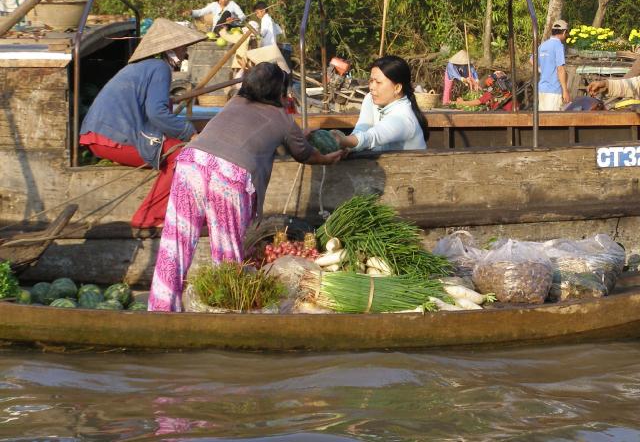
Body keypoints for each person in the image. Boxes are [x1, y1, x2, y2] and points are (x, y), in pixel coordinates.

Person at [148, 62, 344, 312]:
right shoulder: (283, 119)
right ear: (277, 92)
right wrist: (327, 158)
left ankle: (160, 310)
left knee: (175, 242)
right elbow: (304, 154)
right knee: (227, 253)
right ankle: (226, 316)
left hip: (191, 163)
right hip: (228, 177)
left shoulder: (233, 104)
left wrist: (295, 135)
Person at [79, 18, 205, 231]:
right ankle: (149, 217)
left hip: (98, 135)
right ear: (171, 49)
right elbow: (156, 114)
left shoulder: (144, 67)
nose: (186, 53)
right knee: (184, 155)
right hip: (109, 138)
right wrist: (190, 133)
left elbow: (152, 111)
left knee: (176, 147)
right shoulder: (159, 69)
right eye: (184, 47)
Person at [331, 55, 428, 153]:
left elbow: (373, 136)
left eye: (378, 82)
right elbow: (362, 128)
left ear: (397, 88)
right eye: (371, 81)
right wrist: (348, 148)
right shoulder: (370, 98)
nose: (372, 87)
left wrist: (343, 140)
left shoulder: (404, 118)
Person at [535, 19, 570, 110]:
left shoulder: (543, 45)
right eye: (567, 33)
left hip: (542, 89)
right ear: (564, 32)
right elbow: (560, 69)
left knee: (542, 120)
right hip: (554, 90)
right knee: (552, 120)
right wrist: (565, 91)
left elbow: (532, 60)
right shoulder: (558, 45)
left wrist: (541, 69)